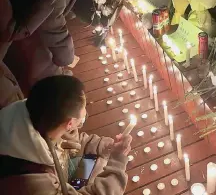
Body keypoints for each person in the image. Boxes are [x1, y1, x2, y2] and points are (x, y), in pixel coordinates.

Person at [0, 75, 132, 195]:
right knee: (104, 168)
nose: (85, 115)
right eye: (82, 115)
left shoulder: (39, 113)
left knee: (99, 160)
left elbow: (71, 143)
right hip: (50, 183)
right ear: (69, 123)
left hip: (62, 171)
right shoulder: (31, 180)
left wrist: (106, 147)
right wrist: (117, 162)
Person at [2, 0, 88, 96]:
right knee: (43, 70)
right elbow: (52, 26)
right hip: (27, 40)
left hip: (28, 32)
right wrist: (66, 57)